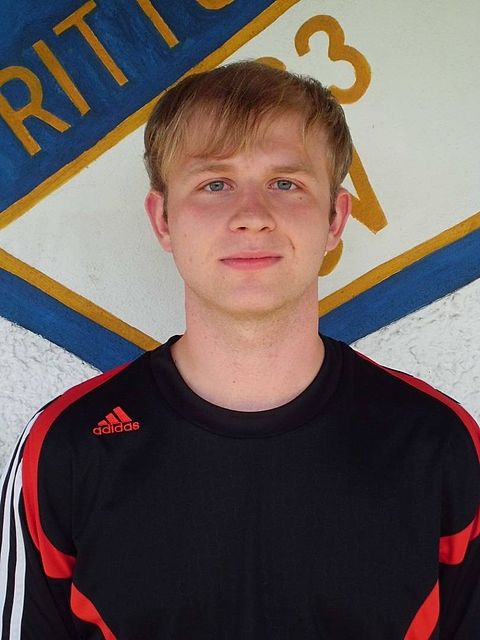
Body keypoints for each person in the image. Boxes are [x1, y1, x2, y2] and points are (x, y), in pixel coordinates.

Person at [0, 61, 478, 639]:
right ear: (163, 220)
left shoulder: (438, 442)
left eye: (286, 184)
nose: (252, 217)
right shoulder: (64, 446)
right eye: (215, 184)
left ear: (335, 219)